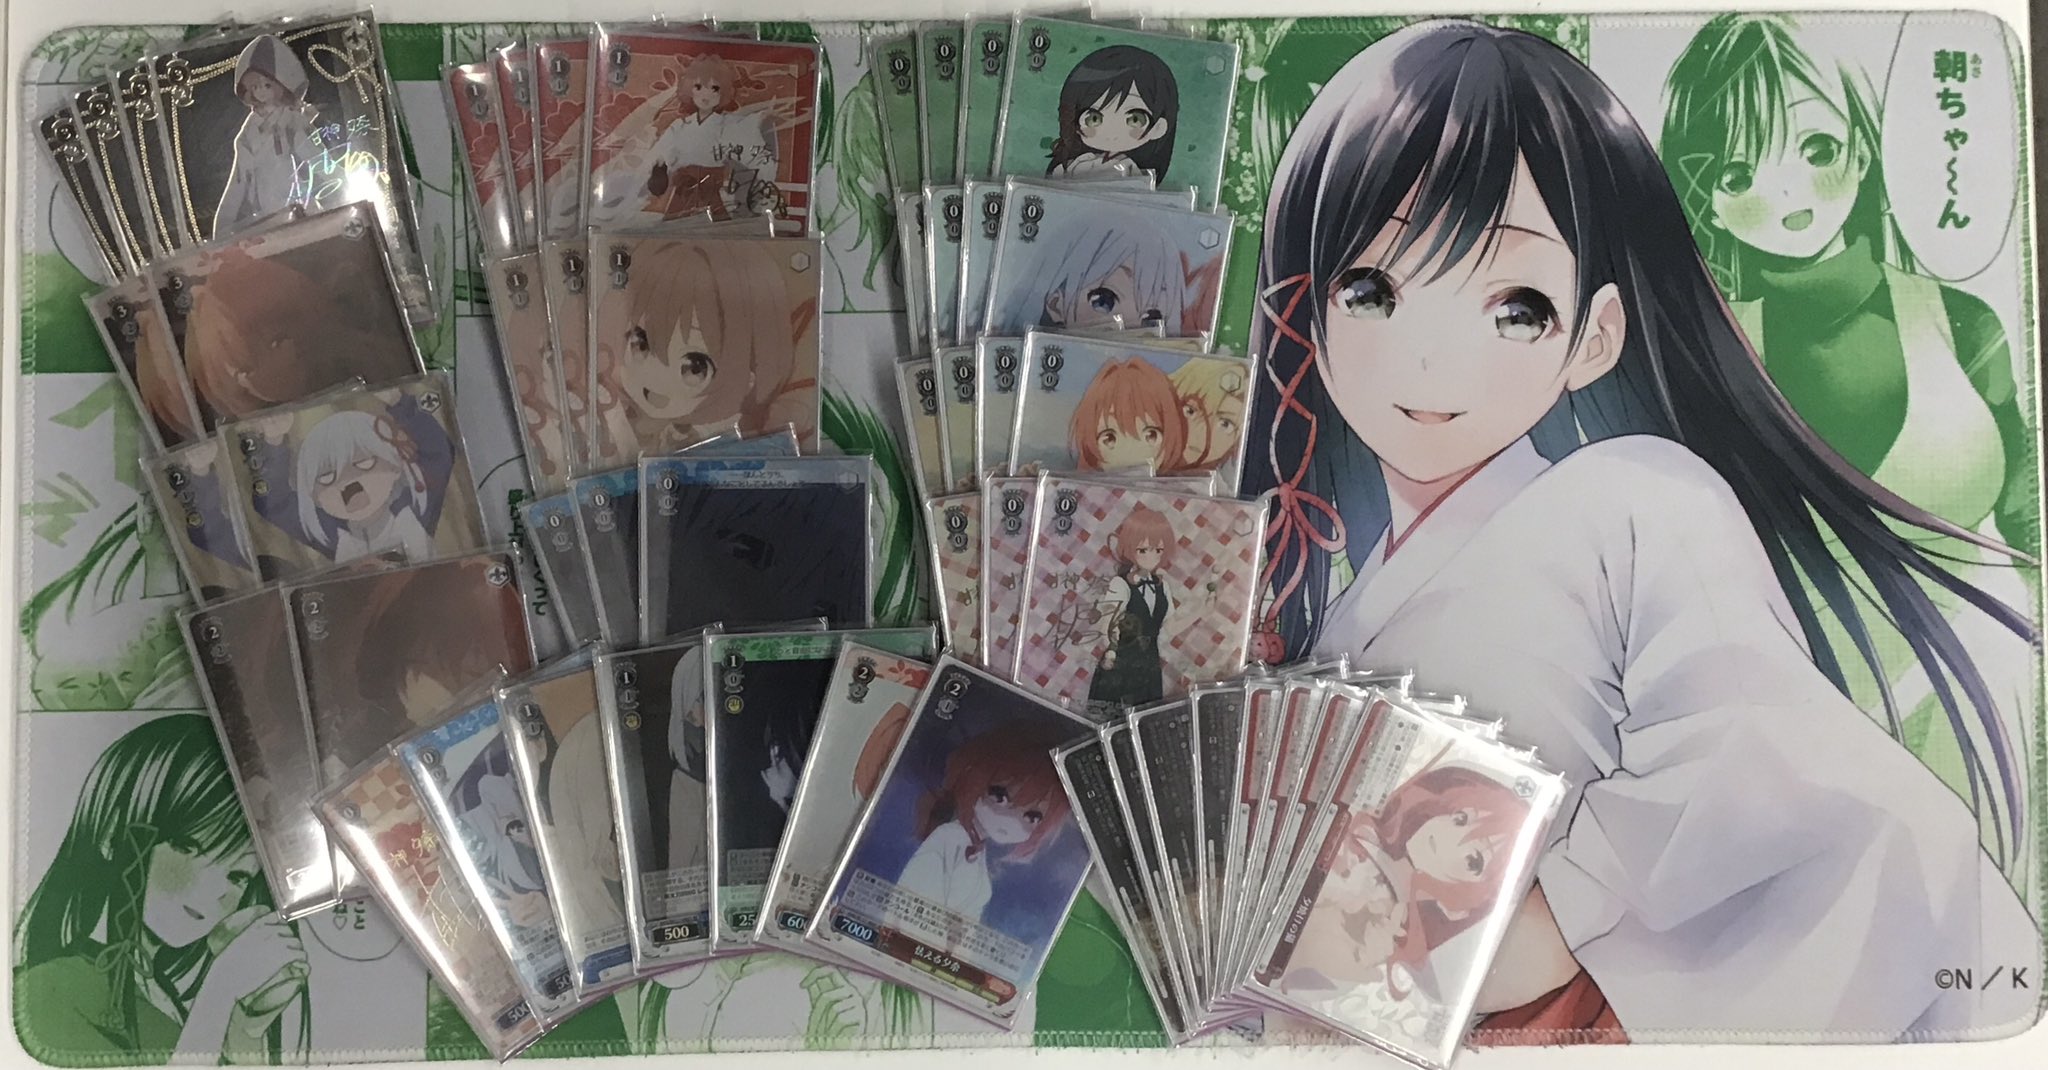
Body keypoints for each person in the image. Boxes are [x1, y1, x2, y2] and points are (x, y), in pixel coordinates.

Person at [1237, 19, 2036, 1040]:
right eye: (1370, 290)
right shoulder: (1339, 626)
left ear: (1594, 335)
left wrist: (1557, 912)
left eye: (1515, 306)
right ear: (1303, 314)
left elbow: (1753, 742)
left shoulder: (1640, 494)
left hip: (1612, 1003)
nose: (1429, 357)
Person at [1659, 13, 2037, 747]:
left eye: (1817, 148)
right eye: (1738, 173)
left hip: (1986, 688)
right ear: (1707, 201)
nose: (1787, 190)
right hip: (1786, 706)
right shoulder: (1700, 357)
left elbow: (2028, 512)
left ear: (1864, 147)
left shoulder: (1964, 323)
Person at [16, 716, 310, 1063]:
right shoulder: (50, 988)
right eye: (188, 848)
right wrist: (222, 988)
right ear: (112, 831)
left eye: (238, 876)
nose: (215, 889)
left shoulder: (161, 997)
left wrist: (246, 1028)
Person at [596, 237, 817, 453]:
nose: (655, 375)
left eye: (694, 367)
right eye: (642, 343)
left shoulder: (731, 439)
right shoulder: (610, 417)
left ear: (748, 377)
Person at [895, 724, 1073, 924]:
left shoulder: (976, 849)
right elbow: (910, 903)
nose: (1011, 819)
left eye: (1032, 817)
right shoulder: (949, 837)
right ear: (973, 779)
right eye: (999, 796)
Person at [293, 410, 433, 564]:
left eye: (365, 463)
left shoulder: (407, 526)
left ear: (395, 465)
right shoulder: (344, 544)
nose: (347, 483)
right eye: (327, 477)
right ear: (314, 496)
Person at [214, 34, 315, 231]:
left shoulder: (291, 120)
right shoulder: (249, 131)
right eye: (255, 86)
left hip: (296, 195)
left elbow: (317, 158)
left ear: (281, 85)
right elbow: (238, 182)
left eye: (267, 85)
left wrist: (343, 187)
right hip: (265, 202)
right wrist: (222, 228)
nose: (261, 91)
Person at [1086, 505, 1176, 712]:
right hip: (1121, 664)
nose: (1151, 557)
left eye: (1158, 550)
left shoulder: (1162, 586)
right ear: (1129, 549)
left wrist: (1202, 611)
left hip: (1149, 666)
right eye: (1143, 550)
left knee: (1145, 720)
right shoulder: (1120, 584)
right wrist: (1111, 649)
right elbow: (1108, 622)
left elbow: (1170, 626)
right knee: (1111, 719)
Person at [1045, 46, 1178, 183]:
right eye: (1094, 119)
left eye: (1135, 120)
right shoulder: (1082, 160)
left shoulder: (1130, 168)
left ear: (1158, 128)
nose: (1112, 132)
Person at [1067, 359, 1186, 473]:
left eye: (1151, 435)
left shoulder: (1184, 485)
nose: (1133, 451)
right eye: (1109, 438)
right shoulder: (1078, 486)